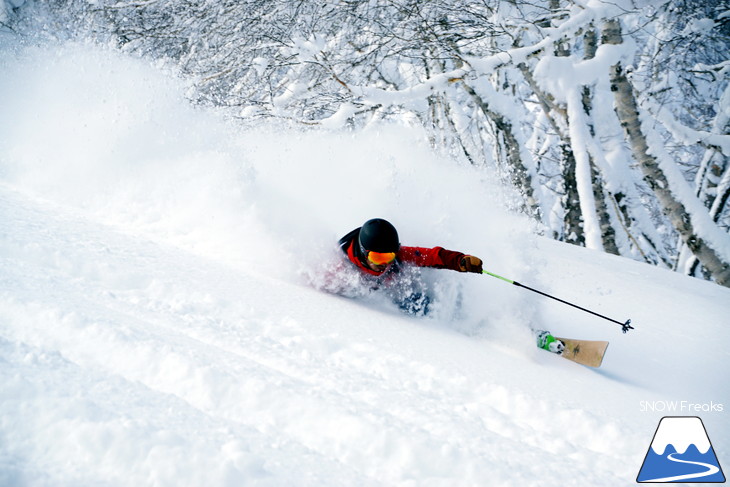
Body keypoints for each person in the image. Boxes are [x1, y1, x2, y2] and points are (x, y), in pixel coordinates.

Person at [338, 218, 483, 314]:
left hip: (397, 296)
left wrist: (460, 261)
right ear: (364, 252)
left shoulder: (399, 255)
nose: (384, 264)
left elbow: (432, 256)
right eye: (377, 258)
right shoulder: (342, 263)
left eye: (389, 257)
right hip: (371, 308)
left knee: (424, 306)